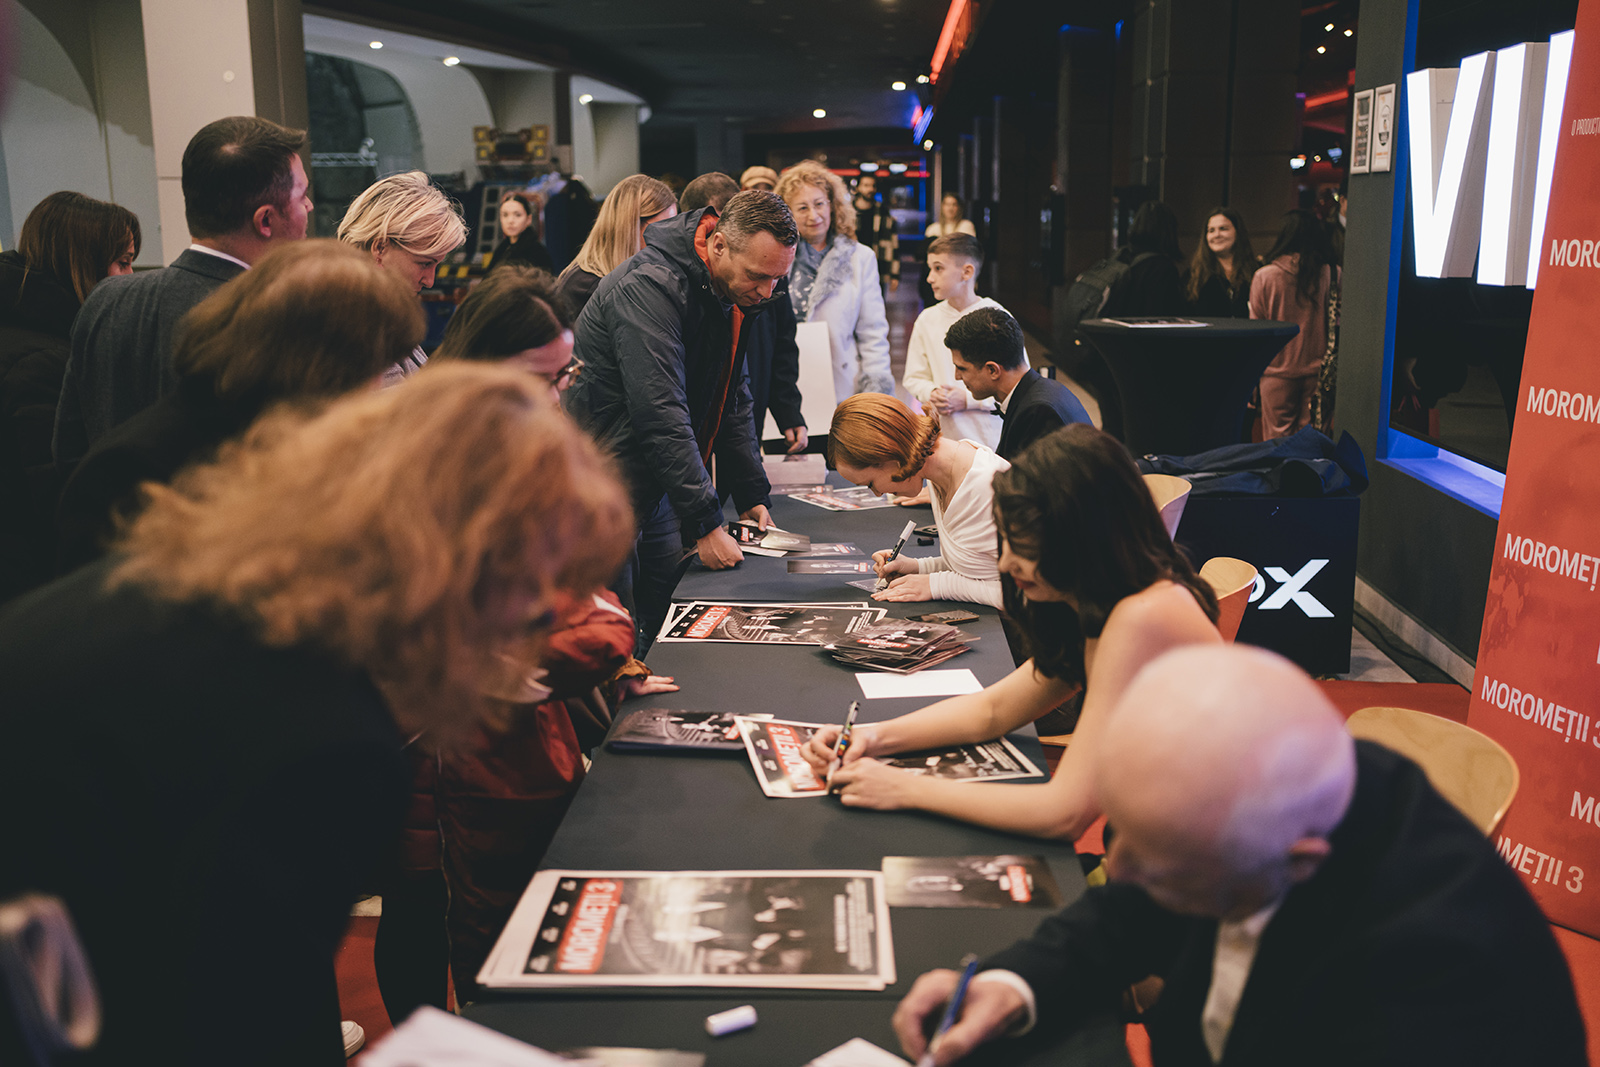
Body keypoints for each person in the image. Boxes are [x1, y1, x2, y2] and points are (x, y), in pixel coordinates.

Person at [0, 362, 634, 1066]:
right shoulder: (326, 729)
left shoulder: (227, 580)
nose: (542, 616)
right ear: (459, 567)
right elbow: (238, 1013)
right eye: (536, 592)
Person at [890, 644, 1589, 1067]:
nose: (1112, 873)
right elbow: (1128, 911)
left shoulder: (1439, 998)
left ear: (1299, 861)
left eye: (1158, 867)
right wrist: (1012, 984)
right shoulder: (1286, 800)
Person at [804, 424, 1220, 837]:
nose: (1004, 565)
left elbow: (1062, 815)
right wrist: (869, 737)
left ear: (1076, 537)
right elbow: (995, 710)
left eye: (1020, 545)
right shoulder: (1102, 602)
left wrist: (901, 787)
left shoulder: (1140, 619)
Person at [54, 239, 423, 572]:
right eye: (376, 367)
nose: (378, 386)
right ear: (318, 366)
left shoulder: (277, 436)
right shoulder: (138, 471)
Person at [565, 190, 794, 650]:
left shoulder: (726, 289)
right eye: (758, 276)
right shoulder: (649, 286)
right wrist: (706, 522)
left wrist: (751, 491)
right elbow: (660, 410)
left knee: (662, 623)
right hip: (605, 484)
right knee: (616, 630)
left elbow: (732, 396)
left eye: (778, 278)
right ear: (719, 245)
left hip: (656, 481)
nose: (767, 292)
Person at [53, 116, 310, 467]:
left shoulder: (104, 301)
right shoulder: (270, 320)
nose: (309, 206)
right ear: (265, 220)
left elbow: (68, 450)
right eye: (302, 196)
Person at [0, 192, 140, 602]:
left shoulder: (28, 331)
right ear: (81, 265)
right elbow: (57, 499)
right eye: (123, 262)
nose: (132, 277)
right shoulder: (45, 362)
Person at [828, 393, 1007, 607]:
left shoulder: (987, 486)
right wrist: (918, 567)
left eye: (871, 483)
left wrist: (937, 585)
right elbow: (983, 564)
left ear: (891, 458)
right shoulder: (940, 473)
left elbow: (1030, 594)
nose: (877, 494)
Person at [680, 172, 807, 454]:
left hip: (749, 406)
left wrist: (788, 409)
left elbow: (783, 342)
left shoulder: (768, 265)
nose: (765, 290)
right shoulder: (675, 284)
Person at [775, 160, 894, 403]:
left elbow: (872, 332)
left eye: (819, 204)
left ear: (832, 205)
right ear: (787, 212)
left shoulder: (860, 258)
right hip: (783, 385)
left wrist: (875, 391)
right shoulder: (774, 257)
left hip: (841, 386)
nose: (814, 215)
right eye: (802, 208)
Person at [336, 170, 468, 385]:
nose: (429, 281)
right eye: (424, 264)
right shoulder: (360, 330)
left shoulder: (381, 316)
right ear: (380, 248)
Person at [901, 233, 1008, 454]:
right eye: (930, 269)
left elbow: (1014, 384)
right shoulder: (927, 319)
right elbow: (913, 377)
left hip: (990, 439)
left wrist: (967, 400)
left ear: (966, 272)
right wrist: (931, 392)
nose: (929, 278)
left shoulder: (997, 317)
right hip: (945, 439)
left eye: (938, 268)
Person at [946, 307, 1090, 461]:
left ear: (993, 370)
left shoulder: (1039, 412)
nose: (957, 376)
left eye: (962, 368)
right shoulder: (1040, 393)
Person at [1249, 209, 1338, 438]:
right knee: (1313, 442)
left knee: (1276, 443)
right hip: (1319, 374)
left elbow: (1256, 330)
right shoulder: (1332, 274)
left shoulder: (1264, 276)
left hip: (1275, 373)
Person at [554, 174, 677, 318]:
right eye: (662, 229)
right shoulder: (584, 287)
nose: (668, 240)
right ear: (629, 228)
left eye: (673, 229)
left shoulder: (651, 272)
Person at [1102, 200, 1185, 317]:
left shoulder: (1121, 255)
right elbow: (1161, 316)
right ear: (1169, 230)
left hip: (1109, 326)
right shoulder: (1162, 269)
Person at [1185, 206, 1256, 317]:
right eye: (1211, 230)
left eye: (1223, 229)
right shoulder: (1192, 275)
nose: (1217, 235)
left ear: (1238, 232)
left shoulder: (1256, 271)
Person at [921, 193, 978, 305]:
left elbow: (970, 254)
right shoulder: (933, 229)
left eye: (954, 204)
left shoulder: (966, 226)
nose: (950, 208)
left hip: (958, 278)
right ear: (942, 207)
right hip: (938, 278)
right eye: (947, 204)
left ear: (959, 207)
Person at [853, 174, 900, 292]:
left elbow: (894, 244)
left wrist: (895, 274)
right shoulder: (848, 211)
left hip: (877, 270)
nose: (870, 189)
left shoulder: (883, 212)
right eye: (866, 185)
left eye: (873, 186)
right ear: (858, 188)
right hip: (852, 269)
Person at [488, 190, 555, 274]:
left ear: (528, 219)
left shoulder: (537, 253)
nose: (510, 221)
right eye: (505, 215)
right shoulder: (502, 249)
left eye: (517, 215)